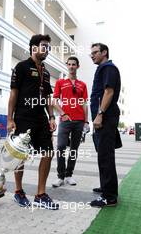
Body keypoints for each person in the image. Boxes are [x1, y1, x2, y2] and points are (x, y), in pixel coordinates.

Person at [7, 34, 59, 210]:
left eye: (48, 47)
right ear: (33, 47)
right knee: (20, 155)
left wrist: (51, 117)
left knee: (48, 153)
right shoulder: (21, 67)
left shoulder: (45, 72)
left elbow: (47, 97)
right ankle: (19, 191)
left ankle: (40, 194)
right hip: (23, 117)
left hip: (41, 119)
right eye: (44, 46)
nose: (47, 50)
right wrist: (10, 119)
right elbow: (13, 95)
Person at [89, 43, 121, 208]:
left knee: (105, 156)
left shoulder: (109, 68)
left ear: (104, 52)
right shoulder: (103, 68)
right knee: (103, 154)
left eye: (95, 52)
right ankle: (106, 187)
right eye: (91, 53)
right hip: (103, 118)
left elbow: (109, 92)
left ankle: (109, 197)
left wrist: (100, 114)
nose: (92, 55)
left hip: (105, 118)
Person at [52, 56, 89, 187]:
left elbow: (84, 104)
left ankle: (69, 175)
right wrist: (63, 114)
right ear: (67, 66)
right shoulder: (60, 83)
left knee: (74, 149)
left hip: (79, 121)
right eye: (69, 64)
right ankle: (60, 176)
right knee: (61, 147)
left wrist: (86, 122)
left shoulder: (82, 85)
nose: (72, 66)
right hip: (65, 120)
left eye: (74, 64)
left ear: (77, 66)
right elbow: (54, 101)